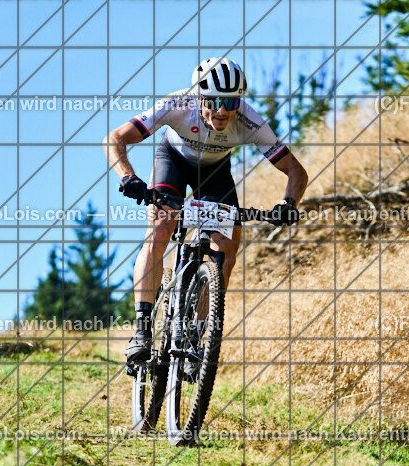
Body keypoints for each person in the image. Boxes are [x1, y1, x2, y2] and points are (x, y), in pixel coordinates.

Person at [103, 56, 308, 363]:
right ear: (199, 96)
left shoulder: (249, 120)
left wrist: (289, 203)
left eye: (231, 102)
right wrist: (127, 177)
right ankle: (142, 331)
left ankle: (198, 335)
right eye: (214, 101)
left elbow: (296, 171)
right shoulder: (177, 105)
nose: (223, 111)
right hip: (173, 161)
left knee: (226, 247)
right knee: (160, 229)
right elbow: (115, 139)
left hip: (214, 173)